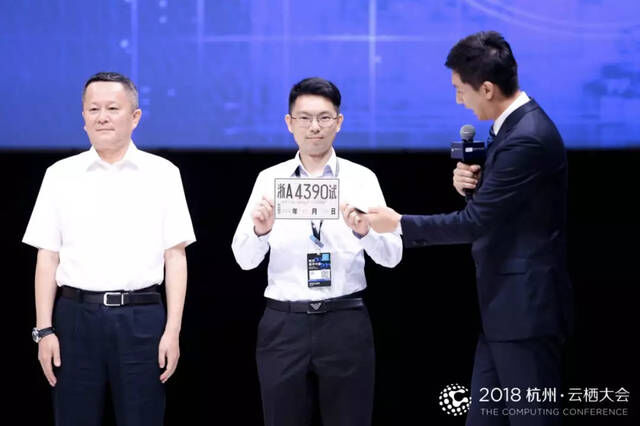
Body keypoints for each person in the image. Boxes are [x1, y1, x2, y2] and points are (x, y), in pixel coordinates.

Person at [365, 31, 573, 425]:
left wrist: (398, 224)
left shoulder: (527, 138)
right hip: (502, 311)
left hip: (525, 313)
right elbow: (505, 208)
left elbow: (474, 223)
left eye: (461, 90)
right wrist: (474, 186)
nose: (459, 100)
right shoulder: (509, 128)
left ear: (488, 89)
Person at [23, 72, 195, 426]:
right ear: (83, 117)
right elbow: (47, 256)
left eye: (113, 108)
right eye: (94, 109)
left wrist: (173, 331)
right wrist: (44, 330)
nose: (102, 117)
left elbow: (175, 257)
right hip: (75, 318)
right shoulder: (60, 175)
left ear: (135, 117)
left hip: (141, 318)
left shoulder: (163, 174)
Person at [231, 77, 402, 426]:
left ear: (338, 122)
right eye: (304, 118)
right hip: (284, 324)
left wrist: (365, 231)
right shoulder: (269, 179)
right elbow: (244, 260)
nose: (314, 127)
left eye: (324, 118)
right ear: (289, 123)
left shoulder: (361, 179)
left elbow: (392, 256)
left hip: (345, 320)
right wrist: (261, 230)